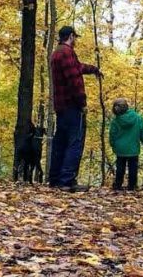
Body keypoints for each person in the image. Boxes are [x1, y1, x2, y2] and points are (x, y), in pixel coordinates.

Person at [49, 26, 102, 192]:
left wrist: (94, 69)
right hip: (72, 106)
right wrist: (82, 103)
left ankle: (56, 179)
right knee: (74, 142)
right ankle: (67, 180)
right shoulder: (67, 52)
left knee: (61, 141)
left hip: (60, 106)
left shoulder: (56, 53)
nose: (76, 41)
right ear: (71, 36)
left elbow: (77, 68)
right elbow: (74, 80)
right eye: (75, 37)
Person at [109, 98, 143, 191]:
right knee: (133, 168)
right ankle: (132, 186)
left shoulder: (116, 121)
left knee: (120, 168)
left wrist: (112, 144)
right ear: (127, 107)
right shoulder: (138, 118)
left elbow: (112, 135)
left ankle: (118, 185)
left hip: (120, 149)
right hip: (133, 148)